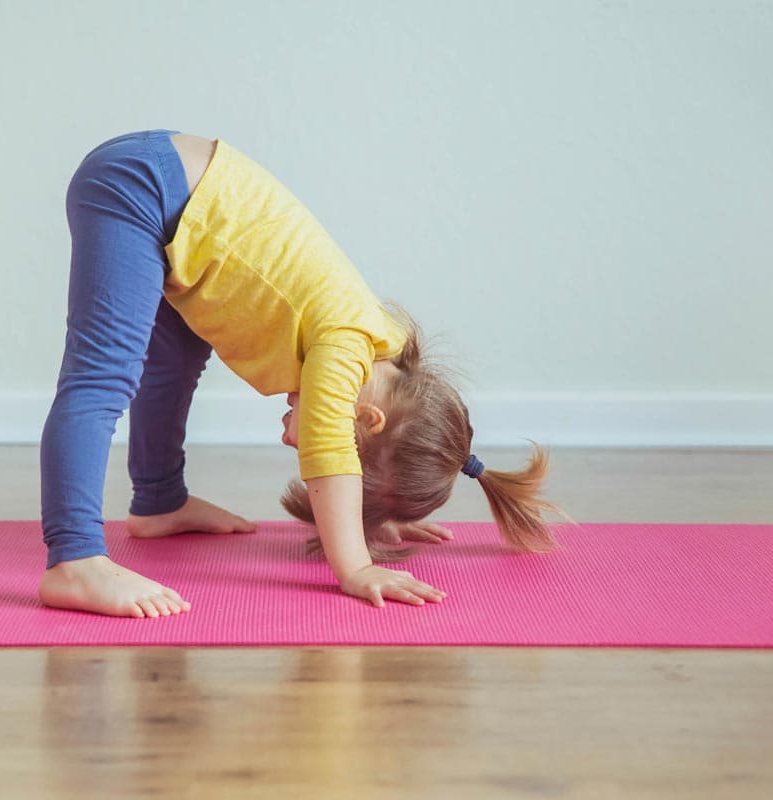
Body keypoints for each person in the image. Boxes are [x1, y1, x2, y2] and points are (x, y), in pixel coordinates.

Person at [38, 129, 563, 619]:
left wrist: (381, 512)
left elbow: (351, 449)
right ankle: (75, 559)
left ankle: (158, 501)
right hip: (144, 186)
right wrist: (355, 566)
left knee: (171, 368)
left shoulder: (381, 346)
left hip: (174, 197)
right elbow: (329, 455)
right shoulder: (344, 349)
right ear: (367, 418)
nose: (297, 439)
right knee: (102, 377)